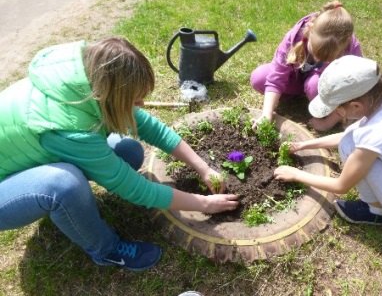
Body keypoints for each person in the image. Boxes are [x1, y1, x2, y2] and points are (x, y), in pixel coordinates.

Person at [0, 37, 239, 271]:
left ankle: (67, 202)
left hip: (40, 146)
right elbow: (134, 189)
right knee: (64, 184)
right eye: (136, 100)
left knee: (129, 151)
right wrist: (204, 203)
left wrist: (203, 168)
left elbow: (149, 127)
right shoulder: (70, 129)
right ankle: (106, 250)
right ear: (113, 95)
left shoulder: (88, 78)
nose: (142, 105)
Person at [274, 55, 382, 227]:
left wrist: (296, 174)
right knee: (350, 142)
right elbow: (349, 136)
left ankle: (375, 213)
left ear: (356, 106)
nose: (334, 113)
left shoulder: (375, 133)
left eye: (336, 109)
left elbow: (341, 186)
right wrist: (303, 145)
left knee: (350, 149)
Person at [250, 0, 362, 132]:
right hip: (296, 77)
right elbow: (276, 76)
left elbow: (351, 92)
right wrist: (266, 114)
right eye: (314, 52)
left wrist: (327, 123)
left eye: (326, 59)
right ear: (309, 32)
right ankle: (300, 94)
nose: (317, 59)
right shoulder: (296, 35)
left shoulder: (351, 52)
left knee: (314, 85)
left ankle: (317, 101)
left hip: (319, 86)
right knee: (259, 77)